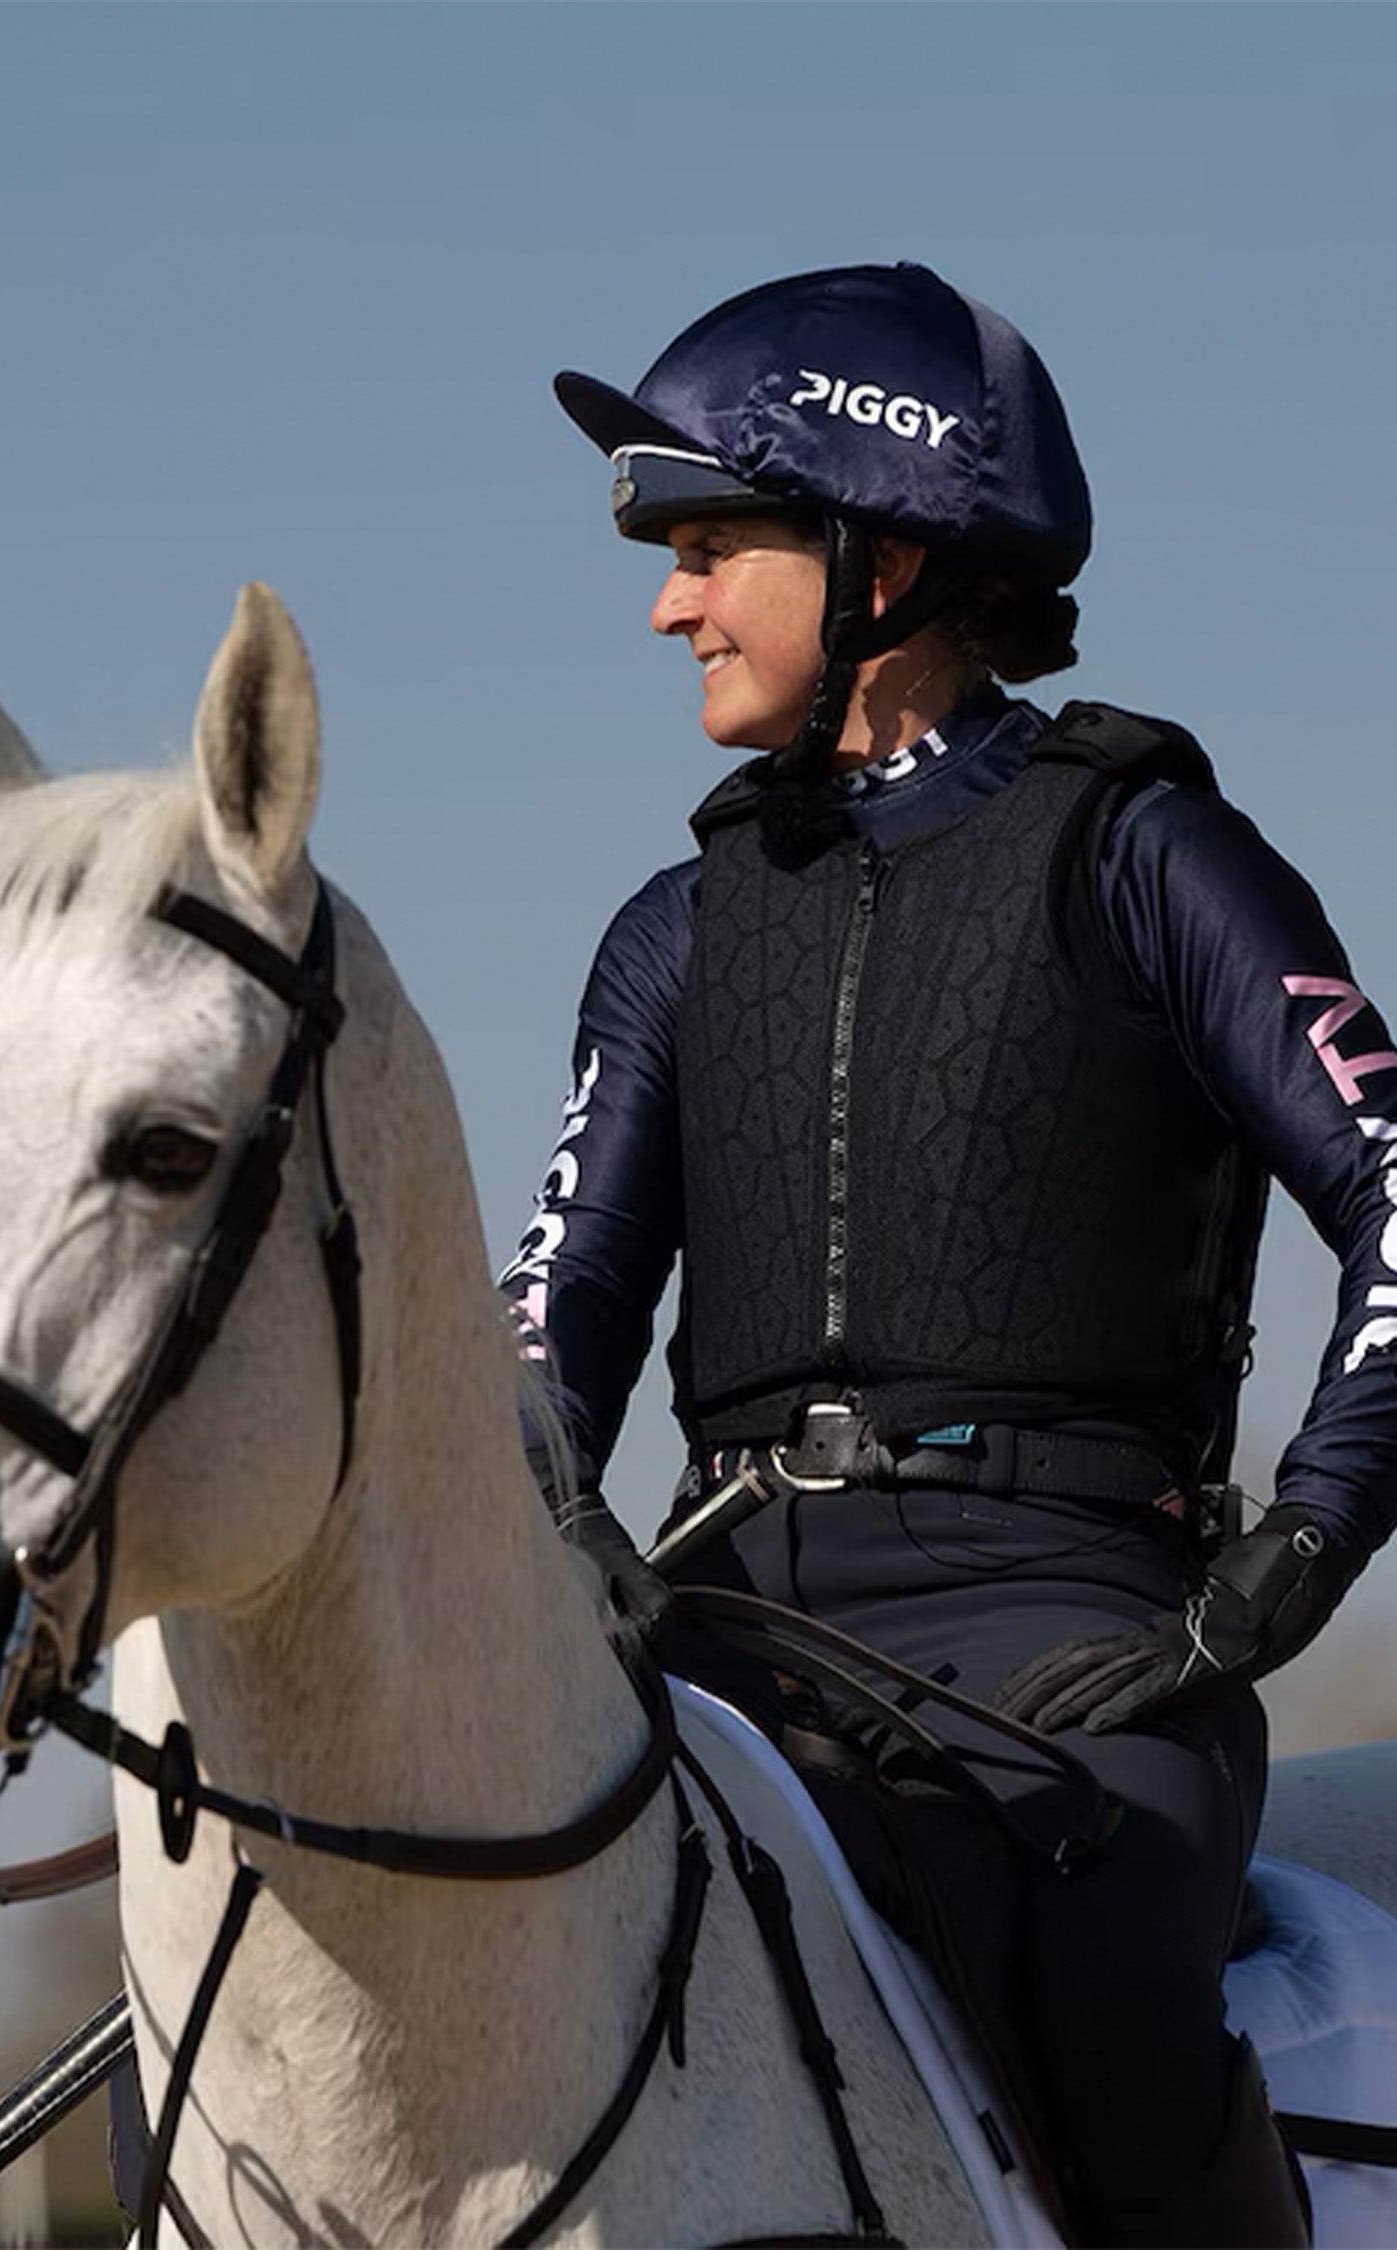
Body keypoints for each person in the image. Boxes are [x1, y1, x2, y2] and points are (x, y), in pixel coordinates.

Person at [502, 262, 1396, 2246]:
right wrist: (536, 1522)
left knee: (1118, 2005)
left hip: (1065, 1634)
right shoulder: (672, 933)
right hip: (723, 1616)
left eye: (710, 550)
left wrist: (1289, 1561)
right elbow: (554, 1321)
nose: (669, 604)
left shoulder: (1149, 854)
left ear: (883, 559)